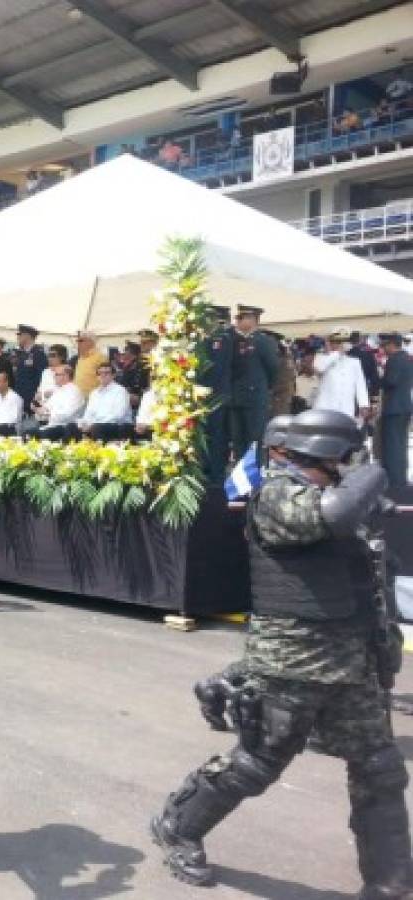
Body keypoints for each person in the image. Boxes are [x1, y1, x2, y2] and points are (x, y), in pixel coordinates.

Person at [151, 410, 413, 896]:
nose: (338, 469)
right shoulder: (275, 493)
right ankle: (178, 825)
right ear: (321, 458)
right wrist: (376, 470)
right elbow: (329, 516)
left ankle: (389, 881)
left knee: (380, 769)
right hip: (292, 660)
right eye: (335, 461)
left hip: (353, 659)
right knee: (256, 765)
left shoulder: (332, 495)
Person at [228, 305, 279, 460]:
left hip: (255, 398)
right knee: (238, 441)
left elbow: (273, 368)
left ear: (252, 319)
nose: (237, 321)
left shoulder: (264, 341)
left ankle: (254, 475)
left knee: (254, 439)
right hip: (236, 398)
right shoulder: (233, 341)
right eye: (237, 318)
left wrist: (263, 388)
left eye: (241, 318)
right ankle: (240, 476)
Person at [198, 306, 234, 482]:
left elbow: (216, 368)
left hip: (216, 394)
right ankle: (209, 470)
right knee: (209, 435)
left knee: (217, 436)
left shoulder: (222, 337)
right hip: (210, 395)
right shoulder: (210, 337)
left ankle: (215, 474)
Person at [379, 332, 412, 489]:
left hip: (393, 407)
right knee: (401, 444)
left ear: (392, 344)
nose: (384, 348)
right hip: (405, 405)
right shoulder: (407, 358)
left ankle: (393, 479)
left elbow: (390, 381)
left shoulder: (394, 360)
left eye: (385, 345)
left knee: (392, 445)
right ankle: (401, 476)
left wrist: (380, 379)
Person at [314, 328, 370, 421]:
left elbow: (360, 384)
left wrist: (363, 404)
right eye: (337, 342)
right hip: (326, 408)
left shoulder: (354, 362)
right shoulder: (321, 358)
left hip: (346, 409)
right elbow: (319, 368)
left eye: (343, 342)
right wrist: (335, 353)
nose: (340, 345)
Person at [77, 363, 133, 440]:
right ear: (97, 376)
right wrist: (84, 424)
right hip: (97, 425)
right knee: (72, 427)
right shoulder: (94, 393)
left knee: (96, 428)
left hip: (119, 426)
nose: (103, 375)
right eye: (100, 373)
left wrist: (93, 424)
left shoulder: (120, 391)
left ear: (113, 375)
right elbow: (88, 414)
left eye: (106, 373)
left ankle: (101, 451)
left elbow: (118, 415)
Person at [31, 366, 85, 439]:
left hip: (66, 426)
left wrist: (46, 413)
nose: (54, 377)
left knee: (43, 435)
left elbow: (67, 415)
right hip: (52, 425)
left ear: (66, 376)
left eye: (56, 374)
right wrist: (37, 409)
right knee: (28, 433)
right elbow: (46, 409)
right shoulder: (58, 391)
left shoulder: (74, 392)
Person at [11, 325, 47, 414]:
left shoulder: (38, 354)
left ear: (27, 336)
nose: (18, 337)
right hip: (19, 396)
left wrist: (34, 399)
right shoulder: (23, 354)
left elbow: (41, 378)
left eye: (20, 335)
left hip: (30, 399)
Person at [72, 331, 103, 396]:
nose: (78, 343)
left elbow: (104, 380)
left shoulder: (100, 358)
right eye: (77, 341)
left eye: (81, 341)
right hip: (77, 397)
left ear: (91, 342)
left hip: (92, 398)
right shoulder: (81, 358)